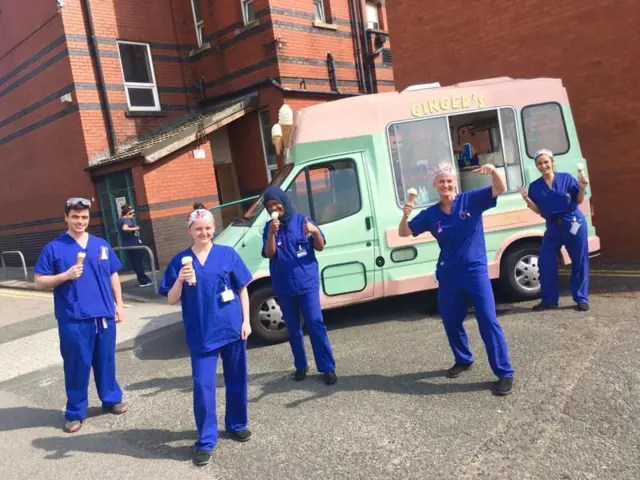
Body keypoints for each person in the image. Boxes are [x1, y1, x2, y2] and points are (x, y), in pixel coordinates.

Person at [398, 163, 514, 396]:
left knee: (488, 320)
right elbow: (404, 233)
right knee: (451, 320)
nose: (446, 185)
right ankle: (463, 359)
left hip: (475, 270)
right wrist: (405, 215)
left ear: (455, 183)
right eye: (441, 182)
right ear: (435, 185)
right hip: (449, 273)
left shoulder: (471, 200)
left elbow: (499, 188)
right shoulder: (430, 214)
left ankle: (504, 372)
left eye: (449, 181)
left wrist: (493, 171)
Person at [159, 203, 253, 467]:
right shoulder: (180, 261)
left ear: (214, 229)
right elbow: (170, 299)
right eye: (198, 228)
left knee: (237, 379)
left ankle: (236, 423)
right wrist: (179, 279)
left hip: (232, 328)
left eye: (208, 228)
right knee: (203, 387)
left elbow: (242, 289)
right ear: (190, 230)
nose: (204, 232)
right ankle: (206, 439)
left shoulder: (227, 254)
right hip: (201, 333)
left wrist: (246, 321)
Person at [34, 197, 127, 433]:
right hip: (73, 318)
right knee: (77, 365)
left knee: (106, 361)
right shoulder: (54, 248)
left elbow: (113, 274)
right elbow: (39, 282)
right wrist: (65, 276)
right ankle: (75, 411)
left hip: (103, 316)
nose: (80, 221)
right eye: (75, 217)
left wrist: (119, 304)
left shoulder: (101, 245)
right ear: (66, 217)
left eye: (84, 217)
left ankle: (111, 399)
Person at [261, 187, 338, 385]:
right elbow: (269, 253)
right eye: (269, 205)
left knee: (315, 323)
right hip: (284, 285)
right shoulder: (269, 227)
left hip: (307, 283)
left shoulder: (303, 221)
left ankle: (327, 367)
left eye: (276, 203)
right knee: (293, 328)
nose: (273, 208)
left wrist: (314, 232)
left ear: (284, 201)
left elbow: (320, 246)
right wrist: (271, 233)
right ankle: (301, 365)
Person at [518, 149, 590, 312]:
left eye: (546, 162)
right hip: (552, 225)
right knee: (545, 261)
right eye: (539, 163)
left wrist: (582, 187)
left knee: (579, 260)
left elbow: (578, 200)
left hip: (573, 222)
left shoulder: (566, 178)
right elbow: (538, 210)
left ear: (552, 162)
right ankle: (549, 300)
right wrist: (527, 200)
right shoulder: (535, 187)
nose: (543, 166)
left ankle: (580, 298)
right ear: (536, 166)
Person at [118, 204, 153, 287]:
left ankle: (142, 279)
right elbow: (125, 228)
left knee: (135, 263)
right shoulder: (126, 220)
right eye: (132, 215)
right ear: (127, 214)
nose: (133, 216)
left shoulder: (119, 220)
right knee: (138, 263)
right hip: (134, 245)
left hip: (127, 245)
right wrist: (135, 228)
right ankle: (143, 280)